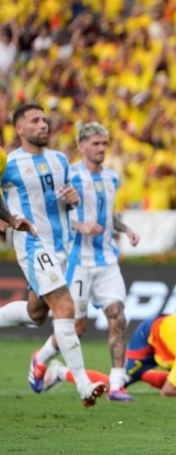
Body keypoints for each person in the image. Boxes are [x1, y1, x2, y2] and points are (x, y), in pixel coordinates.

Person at [0, 104, 105, 407]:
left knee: (37, 314)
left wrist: (73, 199)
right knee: (65, 308)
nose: (43, 125)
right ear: (19, 129)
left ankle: (40, 359)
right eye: (35, 121)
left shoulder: (60, 160)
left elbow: (66, 198)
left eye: (44, 119)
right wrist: (9, 219)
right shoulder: (9, 164)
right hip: (33, 245)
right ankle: (83, 384)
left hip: (64, 248)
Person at [67, 122, 141, 402]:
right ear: (82, 146)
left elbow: (109, 215)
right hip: (79, 260)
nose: (101, 149)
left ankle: (117, 384)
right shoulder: (70, 175)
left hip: (107, 259)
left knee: (117, 316)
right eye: (95, 144)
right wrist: (80, 225)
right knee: (76, 328)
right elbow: (55, 216)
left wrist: (126, 229)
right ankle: (43, 363)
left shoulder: (111, 178)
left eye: (103, 144)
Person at [43, 312, 176, 400]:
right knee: (112, 386)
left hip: (173, 335)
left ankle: (140, 374)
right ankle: (60, 372)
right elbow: (167, 392)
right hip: (150, 337)